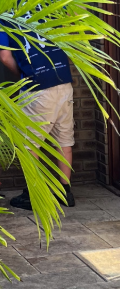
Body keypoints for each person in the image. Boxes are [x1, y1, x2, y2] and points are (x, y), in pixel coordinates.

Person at [0, 30, 76, 211]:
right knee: (64, 140)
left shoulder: (6, 16)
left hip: (37, 87)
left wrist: (22, 75)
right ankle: (65, 193)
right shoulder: (48, 5)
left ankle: (32, 195)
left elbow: (4, 56)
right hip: (64, 82)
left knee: (29, 144)